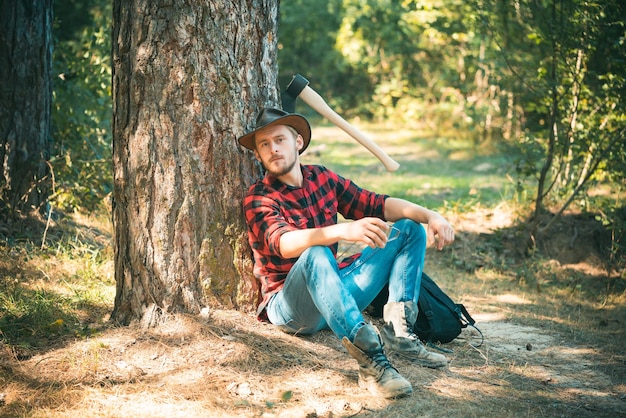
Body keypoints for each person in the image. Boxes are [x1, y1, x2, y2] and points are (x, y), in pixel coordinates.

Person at [238, 108, 456, 399]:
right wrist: (342, 231)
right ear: (257, 155)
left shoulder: (322, 178)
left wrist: (432, 216)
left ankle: (401, 335)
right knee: (315, 254)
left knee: (408, 229)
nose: (273, 148)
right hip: (291, 307)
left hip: (333, 292)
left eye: (279, 140)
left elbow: (378, 204)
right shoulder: (258, 197)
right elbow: (284, 243)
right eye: (264, 144)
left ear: (298, 142)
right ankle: (372, 364)